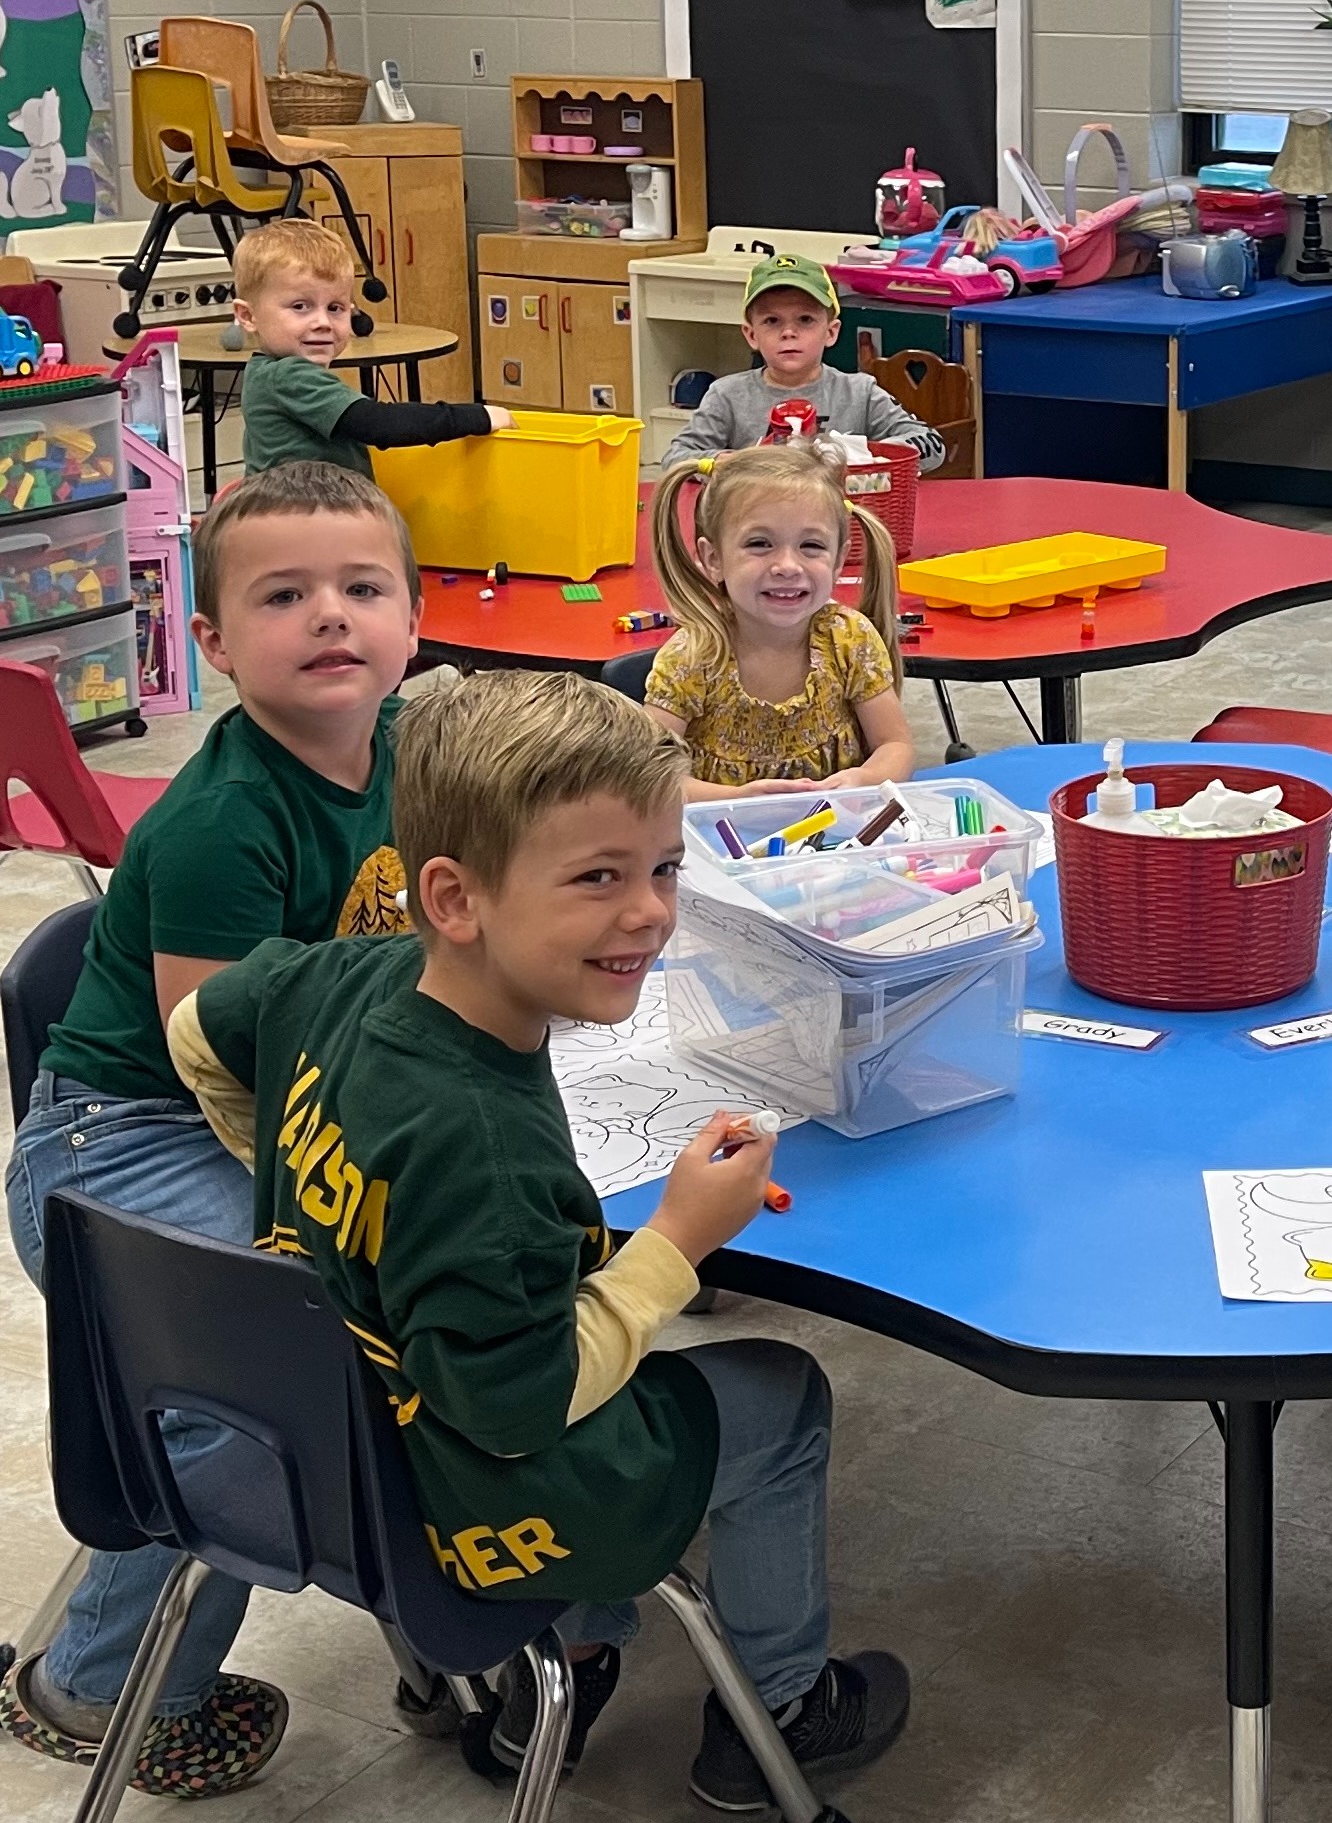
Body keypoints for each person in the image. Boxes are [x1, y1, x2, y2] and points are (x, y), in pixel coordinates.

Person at [167, 671, 911, 1813]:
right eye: (598, 878)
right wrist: (677, 1239)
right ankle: (780, 1711)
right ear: (455, 897)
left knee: (572, 1326)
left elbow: (194, 1032)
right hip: (467, 1500)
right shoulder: (483, 1143)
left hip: (336, 1439)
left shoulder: (342, 973)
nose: (650, 912)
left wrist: (296, 1185)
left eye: (663, 868)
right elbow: (518, 1408)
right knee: (782, 1394)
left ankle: (573, 1656)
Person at [2, 462, 422, 1797]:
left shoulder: (409, 754)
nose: (331, 615)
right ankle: (98, 1686)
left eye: (363, 588)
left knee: (413, 1289)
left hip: (264, 1110)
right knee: (272, 1379)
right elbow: (218, 1057)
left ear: (413, 620)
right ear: (213, 641)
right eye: (283, 596)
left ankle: (454, 1614)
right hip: (121, 1145)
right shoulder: (225, 819)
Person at [645, 440, 915, 801]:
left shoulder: (849, 640)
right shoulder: (693, 658)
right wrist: (739, 801)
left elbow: (895, 745)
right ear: (713, 559)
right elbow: (649, 777)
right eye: (759, 544)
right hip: (718, 832)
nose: (787, 566)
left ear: (838, 561)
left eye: (811, 546)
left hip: (838, 830)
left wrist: (865, 779)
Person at [229, 218, 511, 479]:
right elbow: (378, 425)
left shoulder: (264, 371)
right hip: (303, 513)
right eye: (300, 306)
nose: (323, 322)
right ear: (248, 316)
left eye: (335, 308)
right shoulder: (288, 376)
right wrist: (477, 416)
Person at [664, 257, 945, 468]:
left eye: (805, 319)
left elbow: (931, 444)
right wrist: (733, 462)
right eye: (772, 321)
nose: (789, 332)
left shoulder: (860, 392)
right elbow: (676, 457)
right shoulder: (727, 395)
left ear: (831, 332)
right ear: (751, 335)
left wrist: (864, 455)